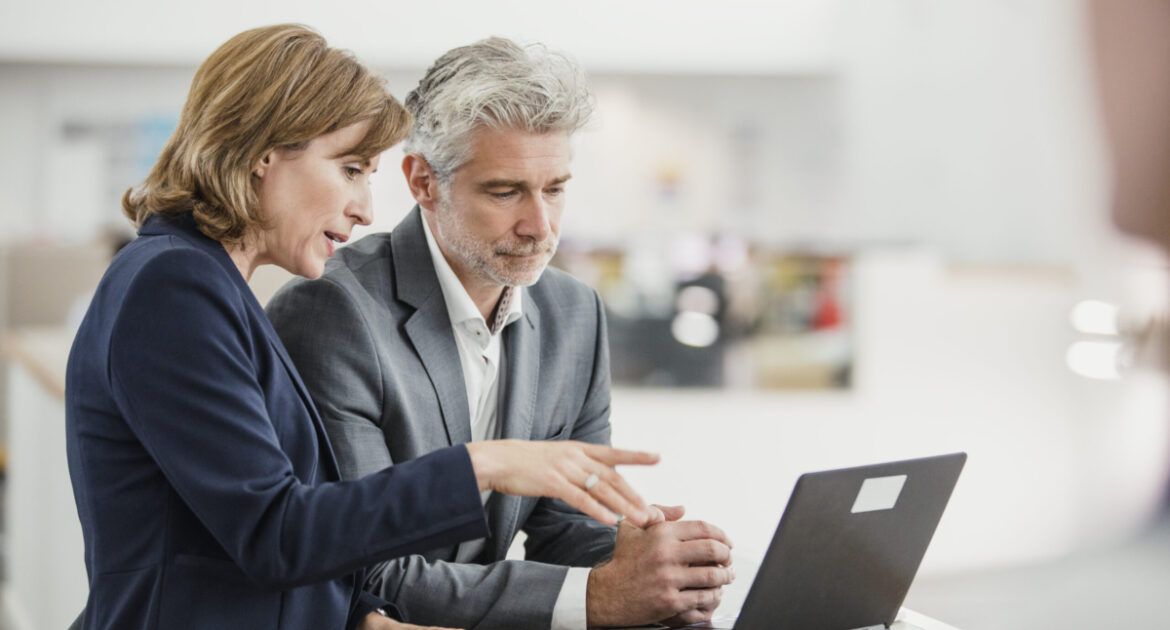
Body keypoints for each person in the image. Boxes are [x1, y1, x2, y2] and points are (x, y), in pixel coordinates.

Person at [65, 24, 659, 630]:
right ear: (264, 152)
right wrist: (481, 464)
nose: (366, 209)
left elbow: (275, 533)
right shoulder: (177, 285)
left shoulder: (205, 282)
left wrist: (365, 618)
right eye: (350, 169)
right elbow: (276, 533)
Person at [267, 37, 734, 630]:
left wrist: (653, 571)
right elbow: (365, 572)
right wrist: (597, 598)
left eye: (555, 189)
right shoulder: (332, 313)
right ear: (423, 182)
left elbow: (567, 529)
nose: (540, 226)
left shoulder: (573, 314)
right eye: (505, 191)